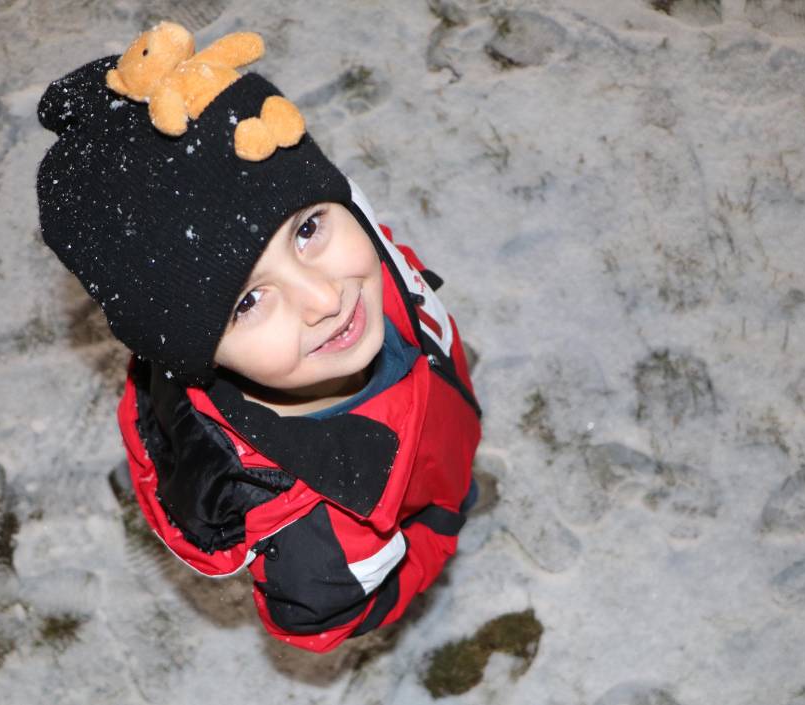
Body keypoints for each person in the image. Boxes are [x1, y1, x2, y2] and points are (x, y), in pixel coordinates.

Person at [35, 21, 481, 653]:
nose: (326, 298)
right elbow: (327, 621)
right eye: (247, 301)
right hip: (421, 507)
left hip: (437, 418)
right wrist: (438, 525)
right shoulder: (313, 540)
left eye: (306, 231)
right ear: (194, 351)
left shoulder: (361, 261)